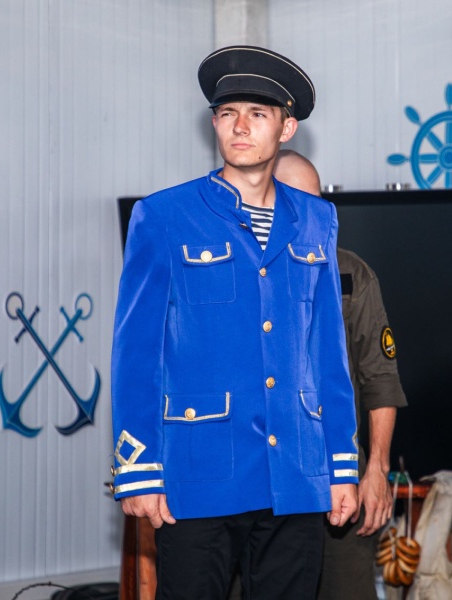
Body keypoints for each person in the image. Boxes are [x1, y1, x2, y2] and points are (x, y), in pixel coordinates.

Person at [110, 46, 359, 600]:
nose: (240, 127)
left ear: (286, 128)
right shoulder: (164, 216)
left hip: (297, 471)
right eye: (227, 113)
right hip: (200, 474)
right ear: (214, 124)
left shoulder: (317, 219)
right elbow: (137, 352)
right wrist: (139, 468)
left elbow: (328, 352)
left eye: (257, 114)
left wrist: (342, 465)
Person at [273, 150, 408, 600]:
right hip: (263, 480)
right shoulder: (239, 270)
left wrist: (377, 470)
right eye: (294, 201)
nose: (308, 214)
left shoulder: (350, 273)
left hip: (340, 477)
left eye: (317, 202)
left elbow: (380, 378)